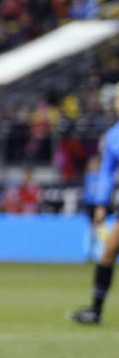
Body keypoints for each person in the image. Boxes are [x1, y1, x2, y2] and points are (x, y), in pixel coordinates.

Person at [69, 95, 119, 325]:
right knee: (108, 252)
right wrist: (100, 204)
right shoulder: (112, 137)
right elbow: (106, 174)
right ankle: (96, 311)